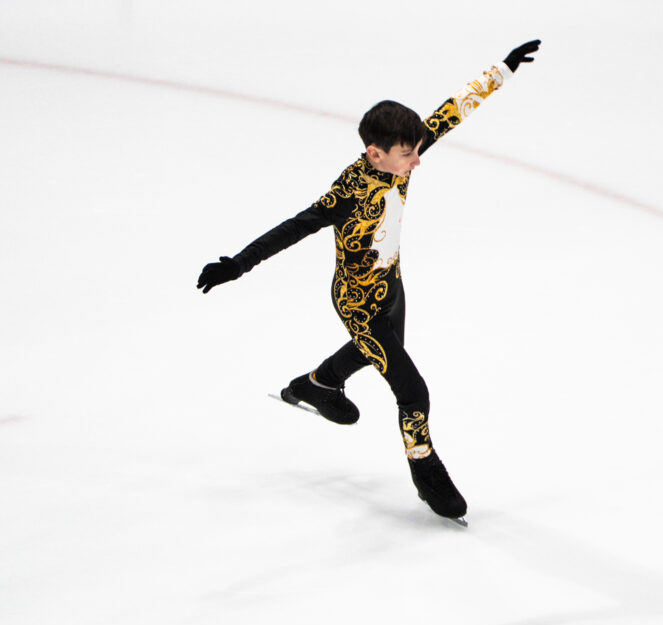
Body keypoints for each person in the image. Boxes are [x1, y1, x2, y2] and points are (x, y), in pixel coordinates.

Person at [196, 40, 541, 523]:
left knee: (376, 352)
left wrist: (502, 70)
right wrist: (238, 264)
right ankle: (425, 471)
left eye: (417, 149)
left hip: (392, 286)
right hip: (358, 303)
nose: (417, 160)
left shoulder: (401, 152)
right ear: (375, 154)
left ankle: (319, 383)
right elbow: (294, 227)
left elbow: (450, 113)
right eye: (408, 154)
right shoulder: (348, 192)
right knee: (413, 391)